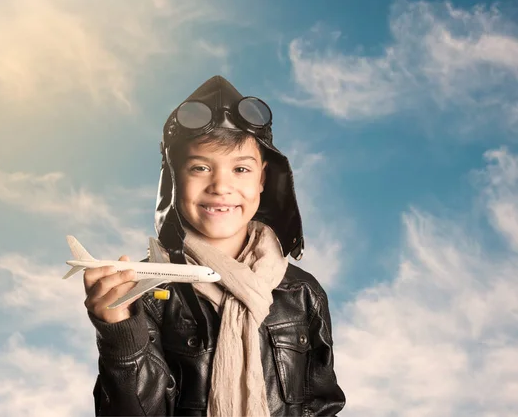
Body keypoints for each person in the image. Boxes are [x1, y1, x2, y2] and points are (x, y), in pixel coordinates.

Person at [83, 75, 346, 416]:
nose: (221, 186)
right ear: (174, 179)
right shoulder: (147, 293)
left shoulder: (302, 293)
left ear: (263, 178)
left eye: (240, 168)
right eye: (200, 168)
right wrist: (121, 336)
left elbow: (322, 406)